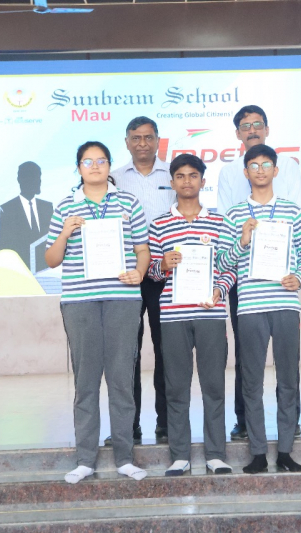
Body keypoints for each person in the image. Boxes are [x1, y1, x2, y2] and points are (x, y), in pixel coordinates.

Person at [45, 141, 150, 484]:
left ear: (109, 165)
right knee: (86, 381)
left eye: (101, 160)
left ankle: (125, 458)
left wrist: (139, 272)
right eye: (87, 161)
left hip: (122, 300)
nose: (94, 166)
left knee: (121, 380)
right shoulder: (65, 206)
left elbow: (142, 249)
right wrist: (65, 232)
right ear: (79, 168)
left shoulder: (128, 202)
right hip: (80, 302)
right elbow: (51, 259)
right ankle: (85, 460)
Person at [217, 144, 301, 474]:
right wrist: (242, 241)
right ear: (245, 172)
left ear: (276, 170)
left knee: (288, 379)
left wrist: (298, 277)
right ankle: (258, 452)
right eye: (254, 166)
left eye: (266, 164)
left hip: (285, 303)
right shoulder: (234, 215)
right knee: (251, 382)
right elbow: (222, 262)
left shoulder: (291, 211)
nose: (260, 170)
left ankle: (285, 451)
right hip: (250, 307)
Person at [148, 154, 235, 476]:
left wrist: (220, 290)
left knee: (213, 385)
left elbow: (229, 267)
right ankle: (180, 456)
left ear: (203, 181)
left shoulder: (220, 222)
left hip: (210, 314)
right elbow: (151, 273)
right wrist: (162, 265)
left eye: (193, 175)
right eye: (181, 176)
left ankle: (216, 455)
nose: (187, 181)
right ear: (172, 182)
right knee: (176, 387)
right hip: (173, 316)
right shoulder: (158, 224)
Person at [111, 117, 175, 444]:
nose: (142, 144)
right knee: (127, 354)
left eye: (148, 137)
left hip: (166, 273)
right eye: (136, 138)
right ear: (126, 142)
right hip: (128, 275)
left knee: (168, 351)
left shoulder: (174, 174)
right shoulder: (114, 178)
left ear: (158, 140)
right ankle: (128, 427)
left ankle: (167, 425)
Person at [0, 161, 53, 272]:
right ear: (21, 180)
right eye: (35, 177)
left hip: (48, 273)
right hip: (20, 274)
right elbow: (5, 251)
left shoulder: (47, 207)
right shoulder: (7, 209)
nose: (39, 181)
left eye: (39, 177)